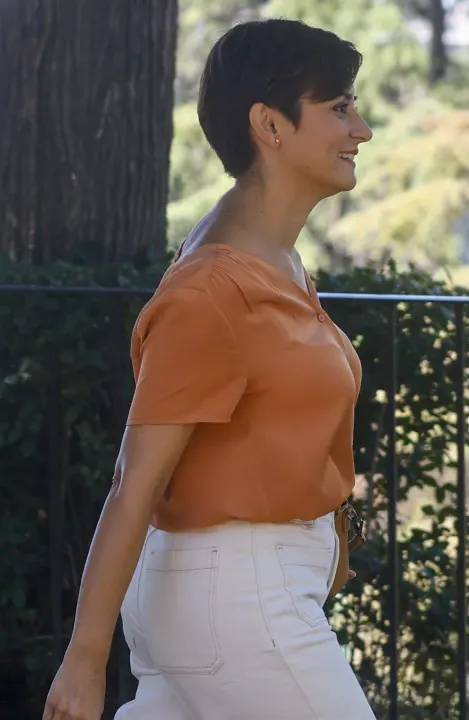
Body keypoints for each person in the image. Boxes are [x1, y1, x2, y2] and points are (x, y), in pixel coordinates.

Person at [42, 18, 376, 720]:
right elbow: (136, 480)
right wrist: (84, 661)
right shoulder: (213, 290)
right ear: (270, 125)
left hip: (230, 596)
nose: (362, 130)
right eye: (339, 108)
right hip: (240, 602)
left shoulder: (273, 261)